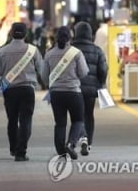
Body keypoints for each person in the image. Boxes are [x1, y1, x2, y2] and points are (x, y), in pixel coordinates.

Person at [0, 23, 43, 161]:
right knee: (25, 120)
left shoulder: (2, 51)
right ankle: (21, 152)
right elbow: (41, 68)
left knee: (12, 120)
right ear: (26, 34)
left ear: (11, 33)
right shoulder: (33, 50)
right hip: (27, 89)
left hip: (9, 89)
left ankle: (13, 149)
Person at [41, 26, 89, 160]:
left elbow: (44, 77)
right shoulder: (76, 53)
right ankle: (71, 144)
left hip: (56, 93)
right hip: (74, 92)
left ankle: (61, 151)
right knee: (78, 120)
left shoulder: (49, 54)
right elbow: (83, 72)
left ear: (56, 38)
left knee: (60, 123)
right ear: (70, 38)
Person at [71, 22, 108, 156]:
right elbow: (103, 69)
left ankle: (81, 138)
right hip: (90, 89)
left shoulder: (71, 49)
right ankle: (88, 142)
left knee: (77, 116)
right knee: (88, 115)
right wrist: (101, 82)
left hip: (74, 88)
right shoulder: (97, 50)